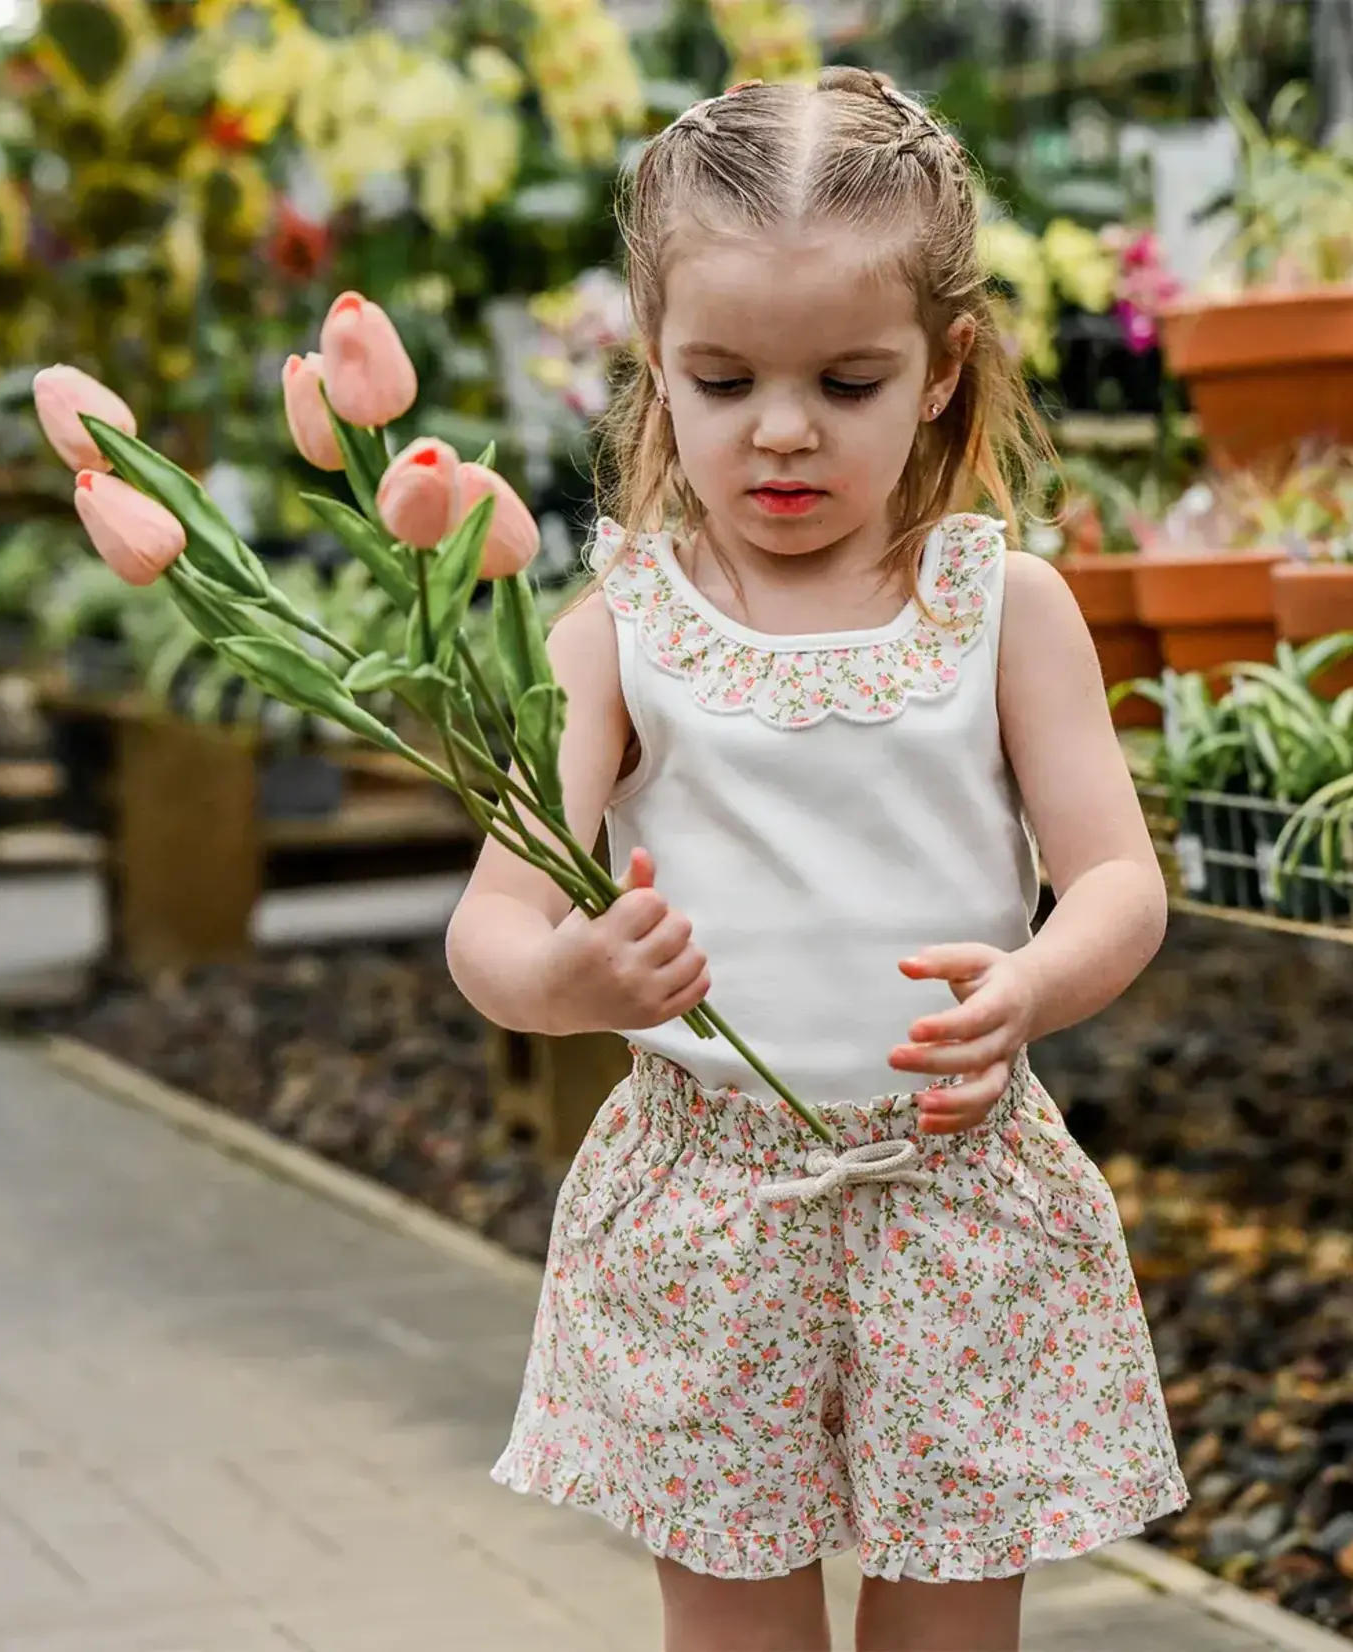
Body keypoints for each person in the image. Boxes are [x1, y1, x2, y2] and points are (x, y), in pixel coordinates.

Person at [446, 67, 1187, 1652]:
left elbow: (1121, 880)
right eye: (723, 382)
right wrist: (571, 979)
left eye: (847, 383)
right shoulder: (615, 636)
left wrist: (1036, 981)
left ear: (941, 370)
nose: (781, 432)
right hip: (707, 1211)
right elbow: (491, 930)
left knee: (945, 1633)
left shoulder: (1005, 610)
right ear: (654, 367)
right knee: (736, 1632)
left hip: (954, 1199)